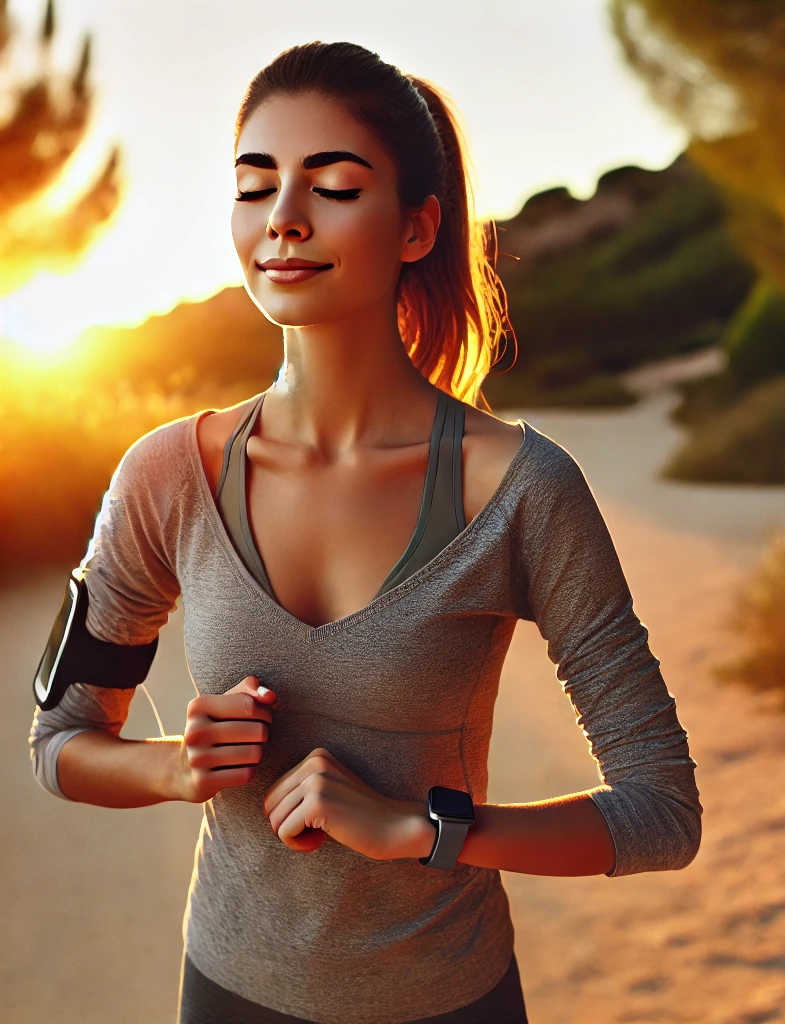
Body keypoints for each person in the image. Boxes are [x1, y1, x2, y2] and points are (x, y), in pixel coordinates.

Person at [27, 41, 702, 1024]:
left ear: (418, 226)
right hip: (227, 991)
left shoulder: (521, 489)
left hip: (450, 999)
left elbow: (662, 811)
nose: (283, 217)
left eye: (334, 186)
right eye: (254, 186)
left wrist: (423, 829)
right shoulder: (164, 476)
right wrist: (173, 767)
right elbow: (60, 743)